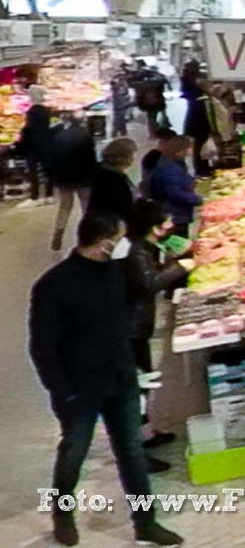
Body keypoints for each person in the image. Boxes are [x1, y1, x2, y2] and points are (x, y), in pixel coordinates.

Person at [30, 212, 184, 546]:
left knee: (131, 450)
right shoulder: (53, 286)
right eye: (121, 238)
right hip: (79, 388)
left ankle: (145, 522)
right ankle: (63, 513)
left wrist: (132, 368)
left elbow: (123, 323)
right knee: (74, 451)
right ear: (105, 244)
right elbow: (42, 346)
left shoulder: (114, 273)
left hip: (120, 379)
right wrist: (62, 391)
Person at [124, 199, 194, 463]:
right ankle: (136, 453)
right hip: (130, 329)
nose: (171, 224)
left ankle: (147, 434)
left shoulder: (143, 247)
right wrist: (181, 267)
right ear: (153, 226)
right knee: (135, 389)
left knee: (145, 382)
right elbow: (149, 284)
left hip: (137, 326)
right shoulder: (135, 253)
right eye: (166, 220)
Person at [45, 112, 99, 253]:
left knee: (65, 207)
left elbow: (53, 158)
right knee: (86, 207)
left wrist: (54, 178)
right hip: (83, 178)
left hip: (64, 178)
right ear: (82, 122)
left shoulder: (59, 136)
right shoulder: (86, 137)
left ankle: (58, 233)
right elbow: (91, 159)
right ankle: (86, 236)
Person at [148, 135, 203, 232]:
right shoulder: (169, 169)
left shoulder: (172, 162)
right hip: (175, 215)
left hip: (178, 213)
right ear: (180, 151)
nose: (191, 151)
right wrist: (198, 200)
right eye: (189, 148)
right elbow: (174, 193)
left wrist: (191, 181)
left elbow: (181, 178)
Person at [86, 138, 140, 226]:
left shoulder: (102, 172)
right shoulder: (115, 180)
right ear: (123, 157)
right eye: (131, 154)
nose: (133, 158)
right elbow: (124, 207)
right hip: (112, 226)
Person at [19, 100, 53, 202]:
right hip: (47, 152)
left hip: (32, 154)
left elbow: (23, 143)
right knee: (49, 173)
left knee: (33, 174)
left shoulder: (27, 129)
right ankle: (49, 194)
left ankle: (35, 195)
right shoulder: (49, 130)